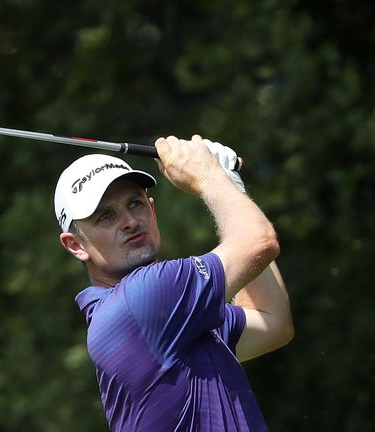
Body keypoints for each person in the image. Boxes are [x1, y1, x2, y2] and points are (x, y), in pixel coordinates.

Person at [54, 135, 293, 431]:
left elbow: (272, 321)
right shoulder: (143, 297)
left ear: (152, 210)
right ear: (76, 245)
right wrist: (209, 176)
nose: (130, 221)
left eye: (135, 203)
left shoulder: (172, 316)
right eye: (106, 215)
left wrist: (229, 184)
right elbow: (259, 242)